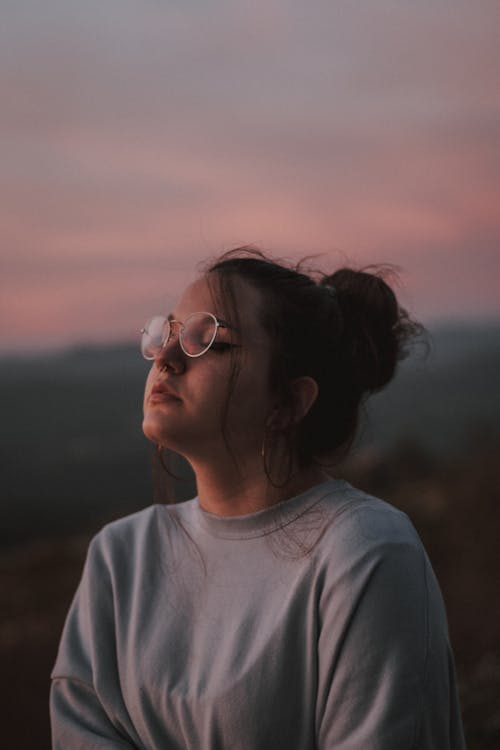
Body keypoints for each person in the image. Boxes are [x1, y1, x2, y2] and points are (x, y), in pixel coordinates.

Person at [50, 247, 466, 749]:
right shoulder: (120, 558)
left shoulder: (366, 553)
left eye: (208, 340)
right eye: (170, 331)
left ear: (289, 401)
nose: (167, 356)